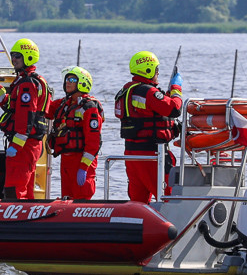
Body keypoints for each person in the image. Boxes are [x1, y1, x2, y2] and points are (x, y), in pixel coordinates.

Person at [0, 38, 50, 200]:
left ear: (28, 57)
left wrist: (16, 145)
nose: (14, 59)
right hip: (29, 143)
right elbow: (10, 105)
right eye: (12, 55)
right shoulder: (26, 81)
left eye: (17, 56)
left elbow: (26, 117)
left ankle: (15, 214)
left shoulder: (27, 84)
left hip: (24, 144)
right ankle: (28, 214)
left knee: (15, 185)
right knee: (27, 185)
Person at [114, 50, 183, 203]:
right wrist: (176, 90)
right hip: (152, 155)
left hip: (131, 154)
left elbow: (147, 115)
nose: (158, 73)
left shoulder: (126, 91)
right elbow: (174, 109)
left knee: (138, 201)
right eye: (156, 69)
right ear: (148, 69)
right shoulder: (148, 92)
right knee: (169, 198)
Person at [47, 66, 103, 200]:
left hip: (81, 162)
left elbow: (93, 143)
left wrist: (83, 167)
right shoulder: (64, 104)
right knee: (66, 197)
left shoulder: (89, 108)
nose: (68, 82)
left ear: (82, 82)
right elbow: (46, 109)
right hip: (66, 160)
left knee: (82, 196)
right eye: (67, 79)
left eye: (72, 79)